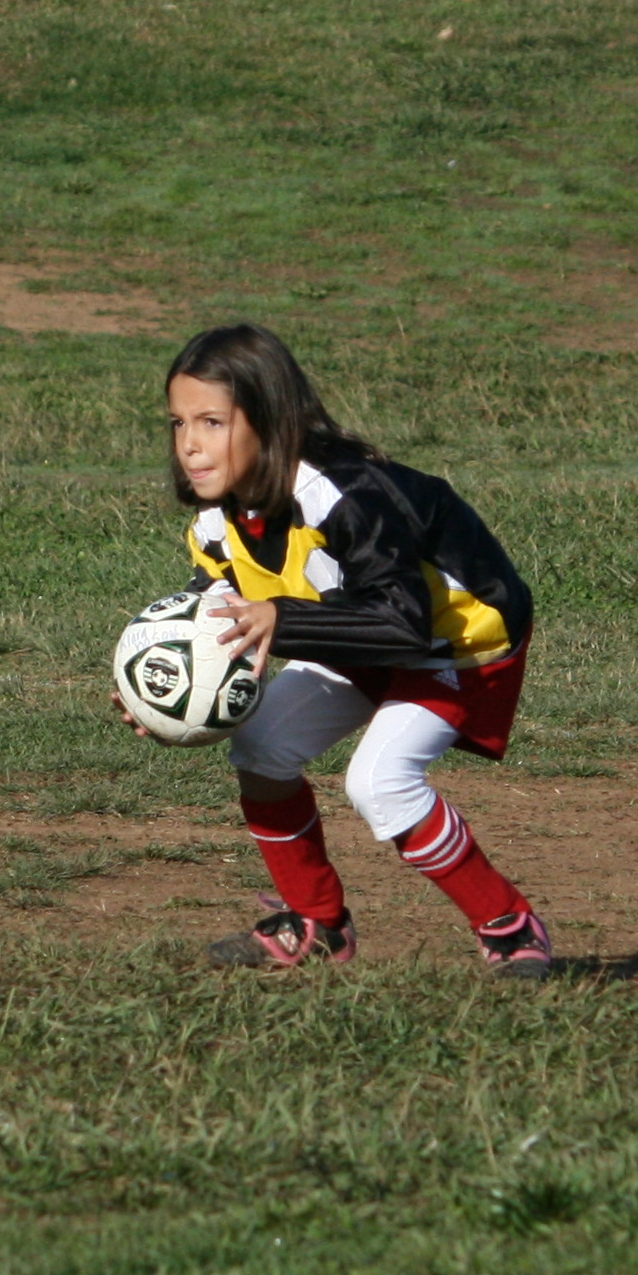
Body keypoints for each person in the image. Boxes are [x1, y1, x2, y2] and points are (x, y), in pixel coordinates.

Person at [156, 322, 553, 980]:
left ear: (270, 422)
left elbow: (403, 622)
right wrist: (161, 691)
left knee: (379, 783)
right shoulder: (215, 521)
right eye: (178, 423)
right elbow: (214, 622)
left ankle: (508, 925)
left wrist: (279, 619)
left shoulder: (343, 495)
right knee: (260, 747)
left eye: (212, 422)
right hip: (356, 632)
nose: (190, 444)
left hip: (455, 644)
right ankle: (317, 924)